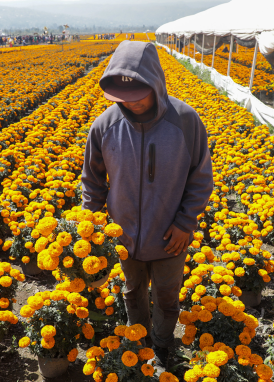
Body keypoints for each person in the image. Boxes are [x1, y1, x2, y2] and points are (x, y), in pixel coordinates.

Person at [81, 41, 213, 374]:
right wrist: (95, 230)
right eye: (124, 98)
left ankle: (165, 346)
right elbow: (93, 183)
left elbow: (200, 179)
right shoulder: (104, 127)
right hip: (124, 238)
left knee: (168, 297)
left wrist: (185, 223)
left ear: (156, 83)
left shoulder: (185, 121)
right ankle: (138, 344)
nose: (133, 103)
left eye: (140, 94)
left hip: (170, 237)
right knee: (131, 292)